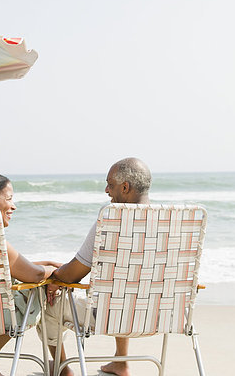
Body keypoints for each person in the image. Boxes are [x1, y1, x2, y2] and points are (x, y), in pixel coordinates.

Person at [42, 158, 152, 376]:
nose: (106, 190)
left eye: (109, 184)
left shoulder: (111, 220)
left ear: (125, 187)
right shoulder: (172, 223)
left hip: (110, 315)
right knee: (127, 287)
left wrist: (54, 276)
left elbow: (74, 273)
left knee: (47, 307)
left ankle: (62, 369)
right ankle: (121, 362)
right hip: (161, 314)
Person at [0, 173, 62, 376]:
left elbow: (4, 266)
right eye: (9, 199)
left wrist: (45, 263)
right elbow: (35, 276)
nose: (13, 206)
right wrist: (55, 272)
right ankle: (62, 365)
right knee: (38, 289)